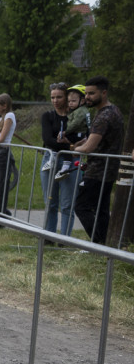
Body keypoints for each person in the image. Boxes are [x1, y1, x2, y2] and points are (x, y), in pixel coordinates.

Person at [69, 76, 125, 245]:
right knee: (101, 210)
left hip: (98, 171)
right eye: (86, 93)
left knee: (81, 206)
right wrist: (82, 143)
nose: (87, 97)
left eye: (92, 93)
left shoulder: (103, 117)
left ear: (104, 93)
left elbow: (89, 148)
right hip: (108, 169)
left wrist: (73, 149)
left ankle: (99, 243)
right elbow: (96, 141)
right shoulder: (113, 110)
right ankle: (108, 244)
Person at [40, 83, 77, 235]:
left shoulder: (76, 116)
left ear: (67, 97)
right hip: (51, 158)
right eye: (52, 97)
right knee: (50, 201)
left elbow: (81, 137)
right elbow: (47, 139)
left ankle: (65, 238)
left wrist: (70, 147)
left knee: (67, 203)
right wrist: (69, 146)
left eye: (59, 97)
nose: (55, 100)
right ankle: (49, 235)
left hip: (71, 161)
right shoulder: (48, 116)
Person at [54, 85, 92, 182]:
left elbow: (75, 124)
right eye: (69, 101)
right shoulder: (80, 110)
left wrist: (65, 132)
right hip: (81, 134)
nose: (70, 103)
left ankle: (65, 165)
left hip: (78, 134)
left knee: (64, 144)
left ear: (82, 101)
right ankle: (83, 175)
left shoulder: (80, 111)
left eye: (73, 101)